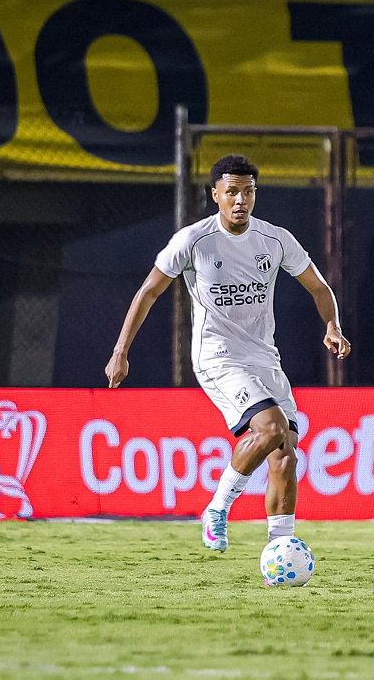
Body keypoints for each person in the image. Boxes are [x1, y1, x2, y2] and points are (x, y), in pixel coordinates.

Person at [105, 154, 350, 552]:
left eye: (248, 192)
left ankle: (279, 550)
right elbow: (149, 291)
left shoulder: (275, 240)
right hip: (217, 357)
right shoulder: (193, 241)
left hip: (264, 358)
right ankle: (217, 508)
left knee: (285, 453)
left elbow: (319, 287)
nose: (240, 200)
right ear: (215, 194)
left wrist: (332, 325)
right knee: (269, 429)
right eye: (232, 192)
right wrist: (121, 351)